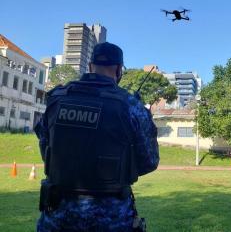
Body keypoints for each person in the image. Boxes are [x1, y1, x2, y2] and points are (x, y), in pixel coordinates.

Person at [35, 42, 159, 231]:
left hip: (57, 217)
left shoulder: (57, 98)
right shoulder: (130, 106)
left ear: (91, 66)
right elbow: (149, 161)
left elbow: (46, 149)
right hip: (111, 220)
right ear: (119, 70)